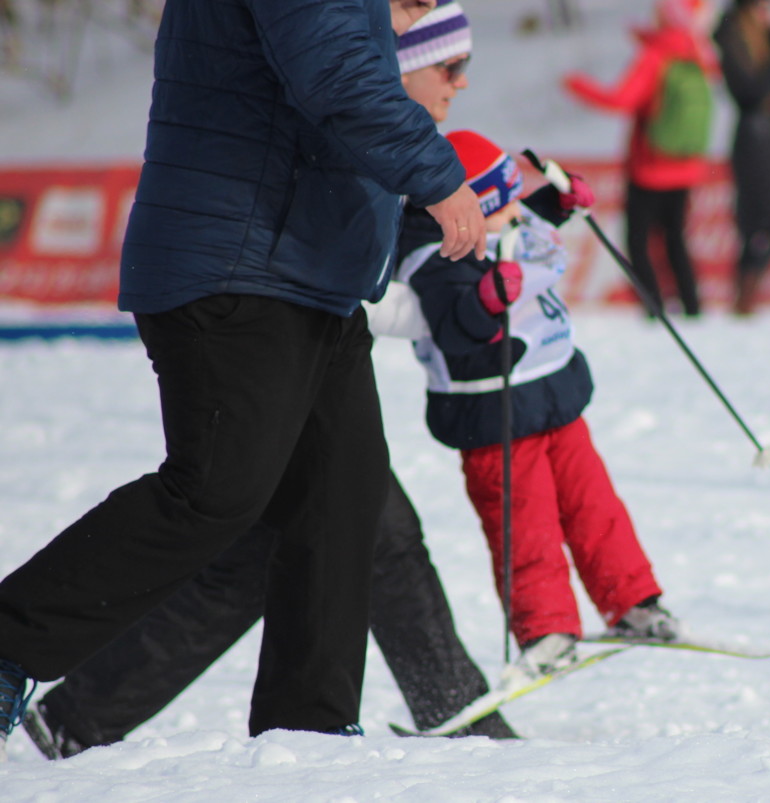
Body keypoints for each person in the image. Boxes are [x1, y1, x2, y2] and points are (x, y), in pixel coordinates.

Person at [15, 0, 516, 761]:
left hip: (310, 275)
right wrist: (438, 176)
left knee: (340, 501)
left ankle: (309, 739)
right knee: (216, 491)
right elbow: (338, 75)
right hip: (238, 265)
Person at [395, 129, 682, 680]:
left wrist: (560, 201)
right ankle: (546, 629)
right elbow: (456, 328)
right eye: (499, 207)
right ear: (461, 210)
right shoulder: (434, 257)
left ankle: (634, 603)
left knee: (595, 507)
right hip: (495, 419)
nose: (515, 216)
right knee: (524, 525)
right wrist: (485, 299)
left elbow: (525, 218)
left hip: (553, 395)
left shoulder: (500, 222)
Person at [564, 0, 717, 318]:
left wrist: (577, 86)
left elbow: (622, 99)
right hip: (687, 165)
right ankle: (692, 306)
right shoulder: (699, 53)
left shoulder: (656, 55)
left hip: (650, 166)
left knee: (637, 239)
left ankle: (653, 308)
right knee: (675, 238)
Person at [713, 0, 770, 315]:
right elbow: (752, 93)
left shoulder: (764, 39)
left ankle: (746, 294)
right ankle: (744, 297)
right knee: (761, 222)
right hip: (755, 144)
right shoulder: (732, 39)